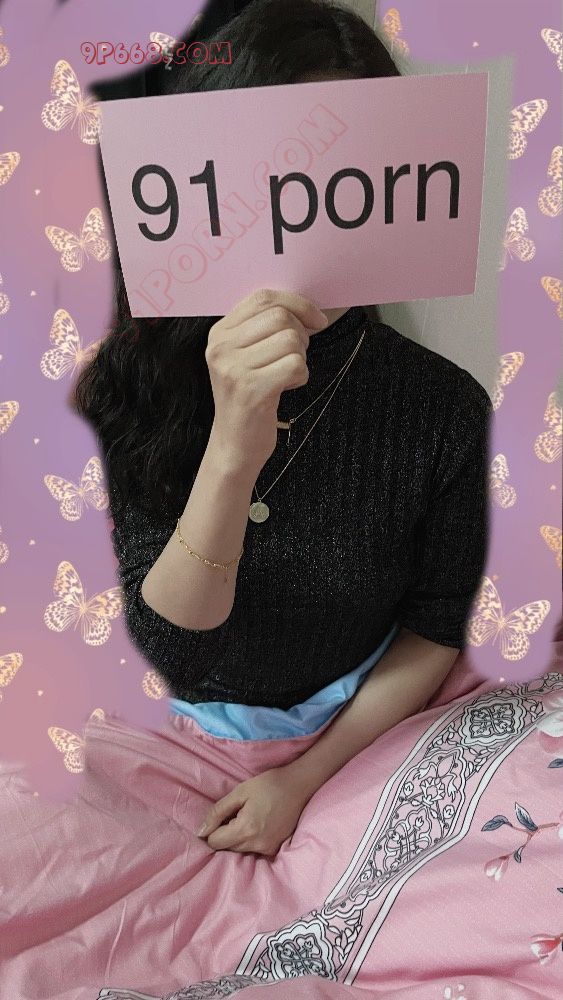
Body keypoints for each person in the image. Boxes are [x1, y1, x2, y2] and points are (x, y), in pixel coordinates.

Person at [72, 0, 492, 859]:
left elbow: (434, 625)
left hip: (355, 725)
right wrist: (234, 441)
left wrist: (300, 782)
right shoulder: (130, 376)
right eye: (278, 174)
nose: (308, 214)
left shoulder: (441, 407)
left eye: (346, 174)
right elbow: (175, 650)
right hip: (159, 717)